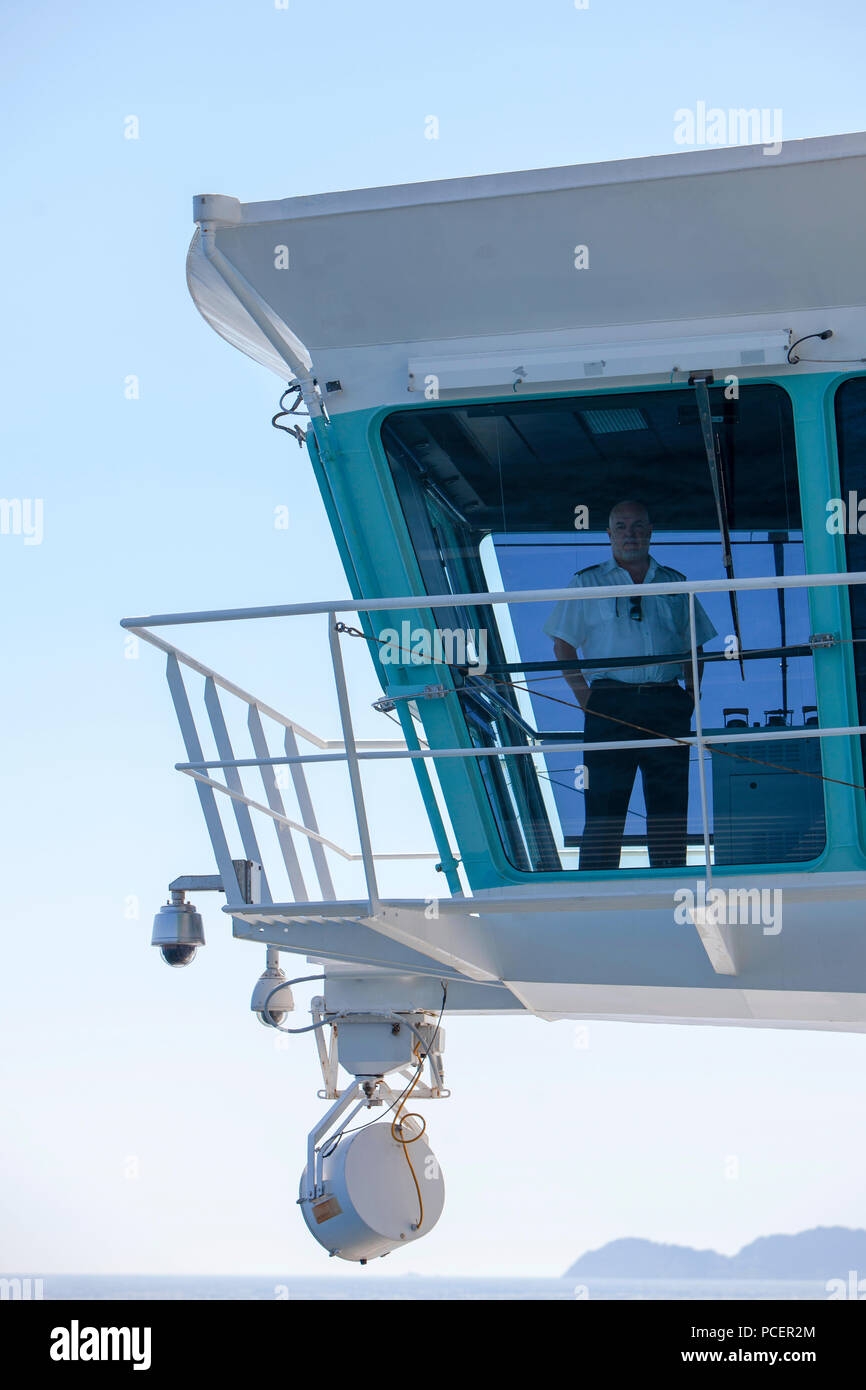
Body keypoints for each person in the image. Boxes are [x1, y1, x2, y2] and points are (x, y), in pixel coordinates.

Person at [544, 500, 717, 870]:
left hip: (666, 701)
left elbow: (694, 644)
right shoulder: (587, 582)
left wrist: (690, 695)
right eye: (621, 527)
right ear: (608, 535)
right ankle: (595, 891)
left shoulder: (675, 583)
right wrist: (585, 699)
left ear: (651, 532)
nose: (630, 534)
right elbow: (562, 643)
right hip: (610, 702)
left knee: (669, 803)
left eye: (638, 526)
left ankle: (671, 885)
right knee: (604, 802)